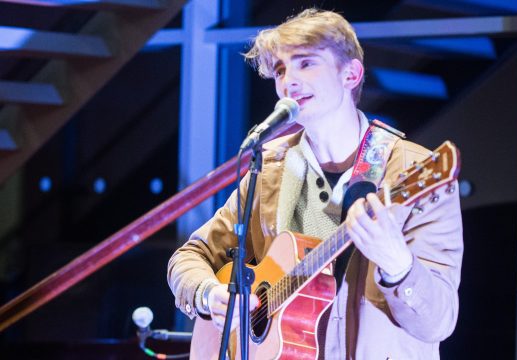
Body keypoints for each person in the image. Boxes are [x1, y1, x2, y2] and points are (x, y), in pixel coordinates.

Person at [168, 8, 463, 359]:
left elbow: (439, 321)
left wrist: (399, 265)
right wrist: (207, 295)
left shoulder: (411, 170)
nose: (288, 81)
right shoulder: (270, 169)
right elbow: (191, 255)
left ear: (351, 74)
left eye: (306, 63)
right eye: (280, 69)